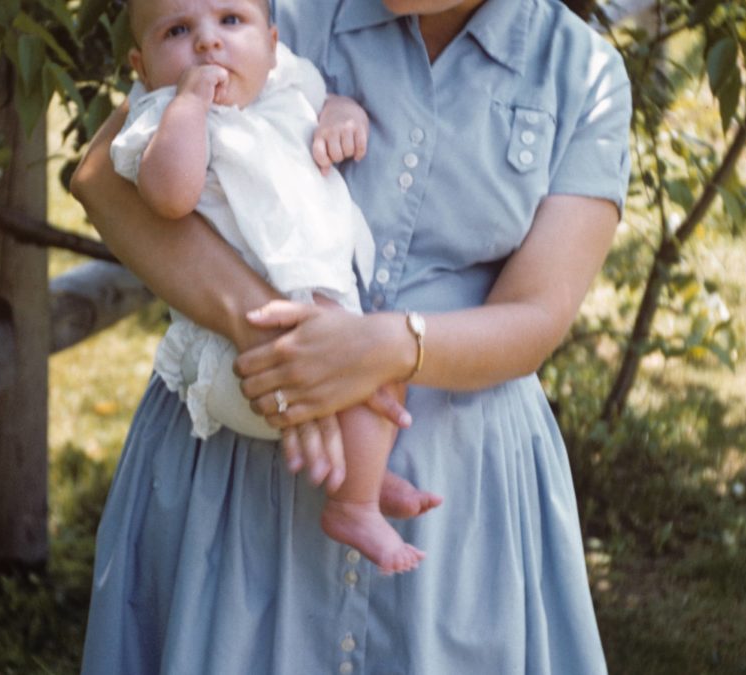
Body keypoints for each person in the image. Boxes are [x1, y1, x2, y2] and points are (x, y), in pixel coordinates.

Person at [73, 0, 632, 672]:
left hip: (458, 511)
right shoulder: (271, 11)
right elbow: (105, 175)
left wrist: (390, 347)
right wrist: (277, 341)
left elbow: (537, 314)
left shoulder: (583, 74)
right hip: (241, 482)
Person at [112, 0, 439, 573]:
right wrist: (189, 106)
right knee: (347, 382)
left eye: (230, 22)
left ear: (271, 38)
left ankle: (356, 490)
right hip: (234, 347)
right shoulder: (161, 116)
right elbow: (169, 196)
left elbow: (326, 101)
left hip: (326, 312)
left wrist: (341, 115)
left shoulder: (287, 80)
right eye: (178, 31)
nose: (208, 44)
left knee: (380, 370)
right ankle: (355, 498)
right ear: (141, 66)